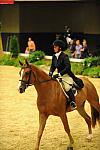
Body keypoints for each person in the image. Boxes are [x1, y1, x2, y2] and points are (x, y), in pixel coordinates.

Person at [49, 39, 84, 110]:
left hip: (67, 75)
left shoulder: (65, 56)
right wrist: (50, 73)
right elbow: (52, 66)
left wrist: (59, 74)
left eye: (56, 47)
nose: (54, 48)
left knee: (67, 87)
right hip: (59, 75)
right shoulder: (54, 56)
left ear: (60, 48)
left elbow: (68, 68)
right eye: (54, 47)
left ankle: (73, 102)